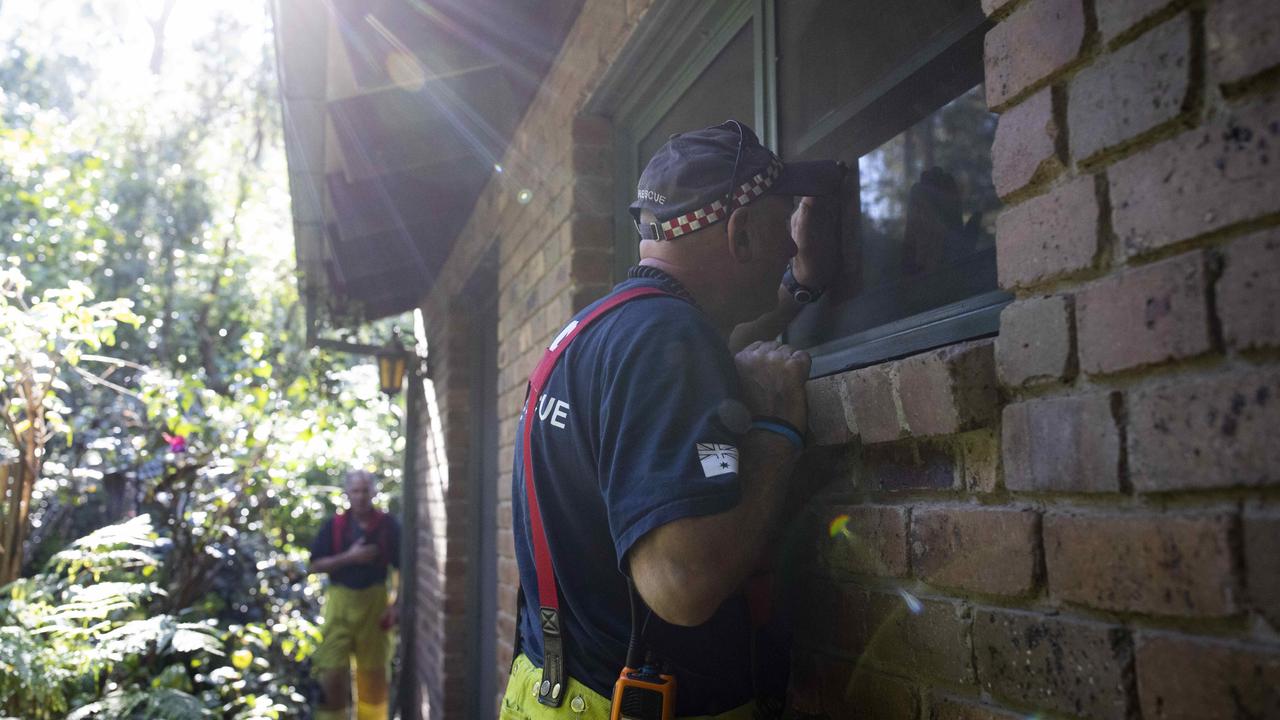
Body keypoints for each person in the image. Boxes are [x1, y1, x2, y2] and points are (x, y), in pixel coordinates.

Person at [502, 120, 843, 719]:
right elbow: (680, 588)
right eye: (780, 222)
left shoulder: (602, 329)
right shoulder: (667, 341)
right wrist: (777, 431)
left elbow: (716, 343)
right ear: (739, 234)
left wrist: (801, 286)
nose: (792, 245)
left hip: (549, 692)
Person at [308, 469, 401, 720]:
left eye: (365, 491)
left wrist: (396, 604)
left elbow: (402, 567)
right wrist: (349, 557)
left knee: (374, 677)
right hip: (339, 603)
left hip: (374, 604)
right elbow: (315, 565)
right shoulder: (335, 526)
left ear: (373, 492)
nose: (360, 497)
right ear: (348, 493)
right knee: (331, 672)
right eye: (356, 491)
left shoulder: (388, 526)